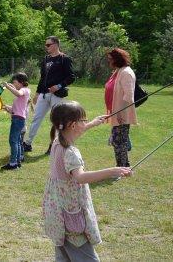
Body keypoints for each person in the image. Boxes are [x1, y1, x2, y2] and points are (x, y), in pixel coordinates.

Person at [43, 102, 132, 261]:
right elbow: (81, 177)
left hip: (58, 215)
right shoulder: (71, 153)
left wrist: (92, 124)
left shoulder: (57, 141)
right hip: (71, 219)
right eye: (83, 120)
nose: (85, 122)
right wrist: (113, 171)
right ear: (72, 125)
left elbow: (71, 132)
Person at [24, 36, 76, 155]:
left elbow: (71, 77)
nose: (46, 47)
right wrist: (37, 93)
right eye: (46, 45)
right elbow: (42, 78)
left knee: (56, 121)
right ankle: (27, 143)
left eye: (48, 45)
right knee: (36, 118)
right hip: (44, 94)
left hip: (57, 95)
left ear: (56, 44)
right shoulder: (46, 59)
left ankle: (54, 145)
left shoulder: (64, 59)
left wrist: (58, 86)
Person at [104, 48, 137, 167]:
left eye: (110, 59)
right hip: (115, 112)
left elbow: (129, 96)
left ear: (116, 59)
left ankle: (122, 167)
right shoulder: (118, 71)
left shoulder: (126, 73)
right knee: (119, 140)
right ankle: (124, 165)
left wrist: (120, 113)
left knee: (119, 142)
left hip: (121, 114)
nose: (109, 62)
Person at [1, 73, 31, 170]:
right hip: (18, 118)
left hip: (18, 119)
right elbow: (16, 109)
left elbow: (18, 93)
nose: (14, 84)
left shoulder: (24, 90)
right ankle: (17, 162)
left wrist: (8, 87)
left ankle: (13, 163)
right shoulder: (23, 91)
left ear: (21, 82)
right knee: (17, 141)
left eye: (15, 82)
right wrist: (6, 108)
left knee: (13, 141)